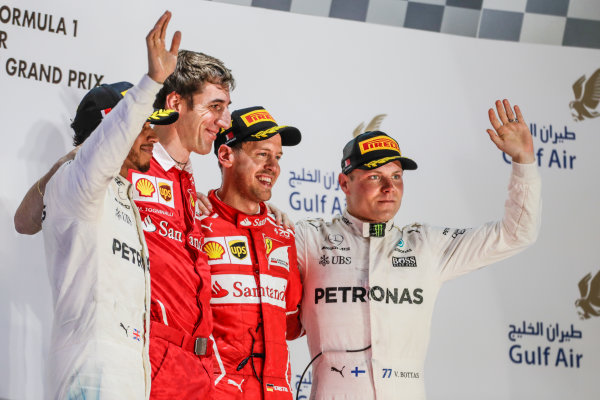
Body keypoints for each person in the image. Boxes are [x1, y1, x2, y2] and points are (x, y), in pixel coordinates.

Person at [294, 100, 542, 399]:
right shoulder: (308, 239)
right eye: (375, 176)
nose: (389, 187)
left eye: (397, 176)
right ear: (344, 183)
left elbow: (516, 233)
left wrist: (524, 162)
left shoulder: (426, 245)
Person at [38, 12, 180, 399]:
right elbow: (103, 149)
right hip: (90, 369)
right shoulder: (77, 183)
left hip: (130, 371)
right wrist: (151, 83)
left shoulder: (121, 193)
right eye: (143, 124)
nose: (152, 135)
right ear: (108, 131)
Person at [130, 47, 235, 399]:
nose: (225, 122)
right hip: (150, 361)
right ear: (176, 102)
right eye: (216, 107)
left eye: (226, 109)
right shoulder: (130, 167)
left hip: (199, 369)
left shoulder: (187, 182)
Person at [199, 106, 304, 398]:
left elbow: (292, 323)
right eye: (262, 154)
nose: (273, 166)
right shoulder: (194, 223)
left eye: (278, 157)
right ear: (226, 156)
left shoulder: (283, 233)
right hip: (213, 391)